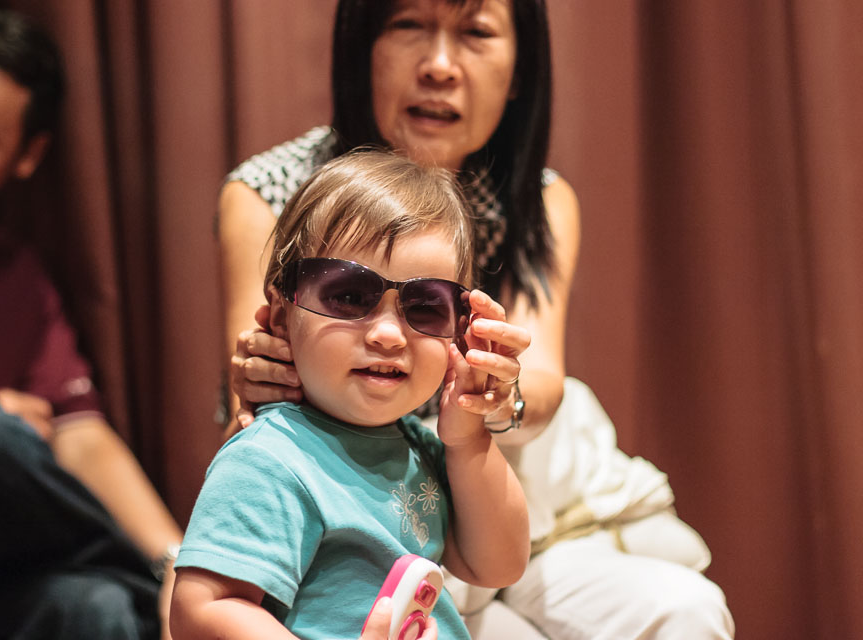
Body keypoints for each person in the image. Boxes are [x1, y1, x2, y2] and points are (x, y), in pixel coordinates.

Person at [217, 0, 734, 638]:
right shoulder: (270, 192)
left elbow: (540, 386)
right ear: (361, 44)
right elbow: (256, 401)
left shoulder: (538, 199)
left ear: (519, 69)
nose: (440, 65)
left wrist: (482, 403)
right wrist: (257, 377)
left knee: (685, 610)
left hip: (512, 486)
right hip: (353, 506)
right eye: (409, 24)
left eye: (476, 32)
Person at [0, 7, 182, 639]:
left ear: (28, 155)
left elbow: (80, 434)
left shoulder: (17, 274)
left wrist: (179, 562)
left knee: (98, 608)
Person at [171, 150, 531, 640]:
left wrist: (468, 439)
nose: (388, 335)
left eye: (424, 307)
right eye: (348, 296)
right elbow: (203, 609)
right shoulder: (271, 458)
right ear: (280, 316)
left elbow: (498, 565)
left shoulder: (417, 447)